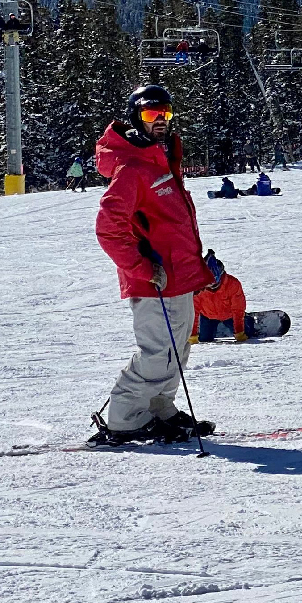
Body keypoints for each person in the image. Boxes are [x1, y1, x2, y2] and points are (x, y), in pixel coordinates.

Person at [89, 85, 213, 445]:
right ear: (135, 119)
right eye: (150, 115)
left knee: (179, 349)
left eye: (165, 114)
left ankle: (159, 408)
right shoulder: (132, 168)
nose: (160, 121)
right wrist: (142, 269)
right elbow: (109, 229)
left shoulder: (162, 160)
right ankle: (123, 417)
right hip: (154, 280)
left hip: (179, 277)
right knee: (158, 353)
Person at [191, 251, 247, 344]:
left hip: (230, 316)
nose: (209, 286)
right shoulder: (198, 288)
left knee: (247, 332)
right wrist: (192, 334)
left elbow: (238, 309)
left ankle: (247, 321)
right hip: (207, 316)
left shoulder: (232, 284)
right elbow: (193, 311)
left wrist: (239, 332)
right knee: (204, 339)